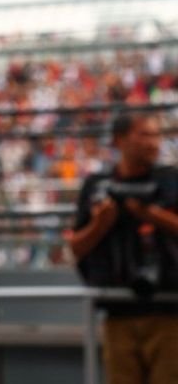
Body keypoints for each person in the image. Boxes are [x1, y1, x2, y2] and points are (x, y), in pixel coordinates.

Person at [69, 112, 178, 384]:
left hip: (169, 312)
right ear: (120, 140)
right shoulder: (98, 187)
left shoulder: (172, 181)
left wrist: (150, 214)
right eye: (145, 135)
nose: (154, 143)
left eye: (157, 135)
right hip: (119, 314)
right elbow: (76, 248)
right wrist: (101, 223)